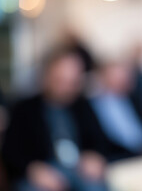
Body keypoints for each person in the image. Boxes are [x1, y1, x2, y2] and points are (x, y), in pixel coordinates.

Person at [2, 48, 108, 191]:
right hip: (42, 170)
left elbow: (99, 140)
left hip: (79, 168)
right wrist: (32, 169)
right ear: (47, 75)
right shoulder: (25, 108)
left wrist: (95, 156)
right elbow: (11, 151)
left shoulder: (82, 106)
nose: (65, 88)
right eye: (60, 80)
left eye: (71, 82)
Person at [88, 59, 142, 161]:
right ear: (103, 76)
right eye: (115, 75)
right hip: (118, 157)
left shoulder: (134, 99)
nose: (121, 79)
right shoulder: (93, 105)